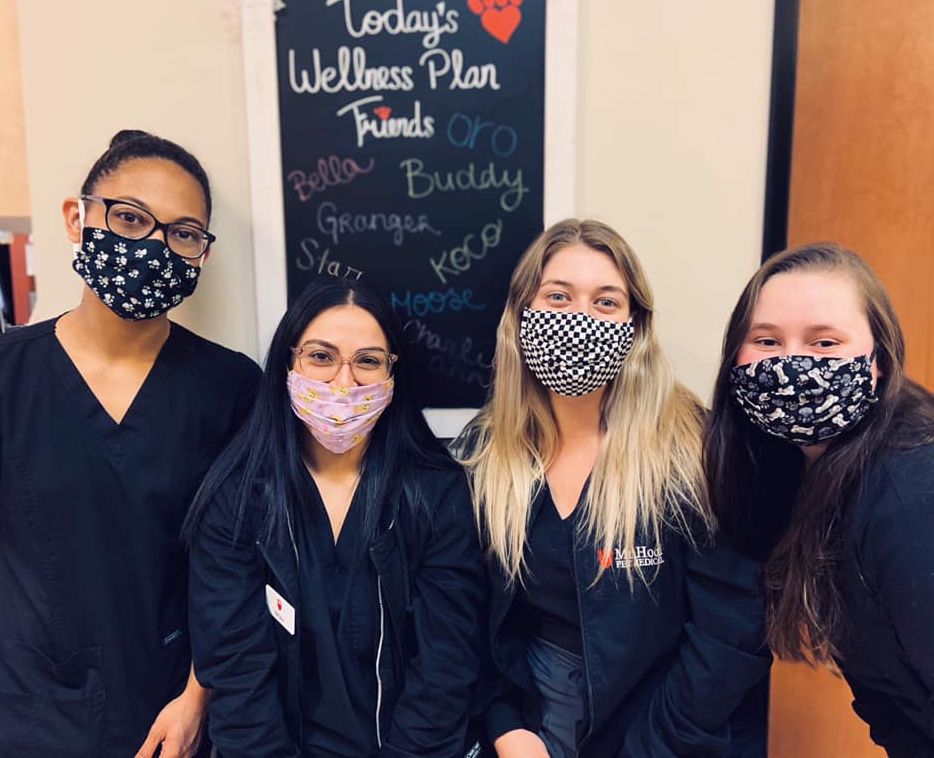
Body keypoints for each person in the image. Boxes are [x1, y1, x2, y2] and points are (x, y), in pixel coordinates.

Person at [0, 130, 261, 757]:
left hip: (165, 708)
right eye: (130, 218)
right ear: (78, 218)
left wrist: (195, 700)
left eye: (182, 233)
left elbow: (237, 565)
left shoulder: (231, 386)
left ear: (201, 254)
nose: (153, 246)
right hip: (18, 706)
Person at [455, 218, 771, 758]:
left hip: (667, 727)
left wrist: (655, 746)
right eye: (558, 296)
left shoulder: (690, 448)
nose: (580, 318)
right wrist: (506, 726)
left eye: (605, 302)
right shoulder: (486, 453)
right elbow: (469, 618)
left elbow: (731, 634)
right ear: (521, 317)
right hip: (537, 720)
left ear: (634, 326)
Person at [185, 279, 485, 758]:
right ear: (289, 362)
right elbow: (237, 675)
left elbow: (446, 668)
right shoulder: (237, 499)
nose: (343, 384)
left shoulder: (437, 494)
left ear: (392, 375)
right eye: (321, 357)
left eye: (367, 361)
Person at [704, 243, 934, 756]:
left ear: (877, 361)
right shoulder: (796, 474)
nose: (793, 364)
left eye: (825, 343)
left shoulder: (911, 495)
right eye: (767, 340)